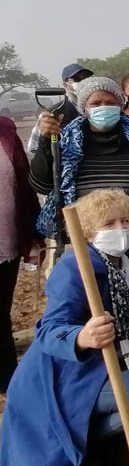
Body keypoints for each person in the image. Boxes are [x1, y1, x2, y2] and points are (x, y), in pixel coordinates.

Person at [0, 190, 129, 466]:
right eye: (108, 224)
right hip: (70, 373)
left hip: (118, 361)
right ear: (88, 232)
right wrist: (82, 336)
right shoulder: (73, 268)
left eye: (125, 220)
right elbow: (49, 330)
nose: (120, 229)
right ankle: (86, 447)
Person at [30, 77, 129, 251]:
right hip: (86, 245)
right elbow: (42, 184)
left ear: (120, 105)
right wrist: (46, 141)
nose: (103, 108)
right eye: (96, 104)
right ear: (84, 108)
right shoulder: (68, 143)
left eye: (110, 102)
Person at [0, 118, 40, 392]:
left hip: (5, 241)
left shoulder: (5, 130)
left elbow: (24, 186)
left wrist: (33, 238)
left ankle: (6, 378)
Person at [27, 62, 93, 153]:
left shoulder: (99, 107)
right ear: (66, 85)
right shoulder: (53, 113)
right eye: (77, 79)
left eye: (86, 78)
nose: (84, 82)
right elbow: (33, 148)